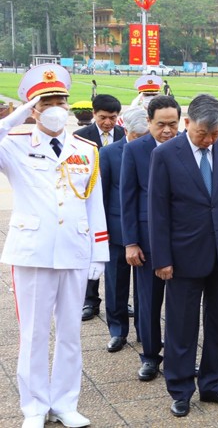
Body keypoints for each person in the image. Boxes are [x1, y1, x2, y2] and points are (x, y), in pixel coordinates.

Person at [2, 64, 109, 428]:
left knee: (70, 333)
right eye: (46, 100)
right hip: (33, 251)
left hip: (75, 249)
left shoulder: (86, 148)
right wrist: (18, 114)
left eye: (60, 99)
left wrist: (100, 253)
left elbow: (94, 203)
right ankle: (33, 407)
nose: (56, 106)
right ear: (33, 107)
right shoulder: (14, 144)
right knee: (33, 334)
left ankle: (65, 402)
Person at [149, 94, 218, 418]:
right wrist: (162, 259)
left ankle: (213, 384)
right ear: (187, 123)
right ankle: (180, 389)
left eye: (215, 134)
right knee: (181, 326)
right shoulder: (166, 155)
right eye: (203, 134)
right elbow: (158, 211)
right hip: (183, 256)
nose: (209, 140)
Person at [121, 95, 181, 381]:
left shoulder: (188, 147)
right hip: (146, 240)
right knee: (148, 302)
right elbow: (128, 199)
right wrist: (131, 241)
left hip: (183, 239)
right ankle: (149, 356)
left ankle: (178, 357)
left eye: (173, 124)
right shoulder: (135, 150)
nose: (167, 130)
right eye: (161, 125)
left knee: (182, 304)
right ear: (149, 122)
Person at [100, 107, 148, 354]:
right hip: (117, 231)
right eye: (137, 136)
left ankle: (145, 330)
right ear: (125, 130)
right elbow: (103, 195)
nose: (142, 141)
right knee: (116, 283)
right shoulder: (108, 153)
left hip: (145, 229)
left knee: (145, 288)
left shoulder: (155, 149)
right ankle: (117, 331)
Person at [75, 94, 125, 322]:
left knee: (117, 262)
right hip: (89, 199)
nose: (108, 122)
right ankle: (90, 301)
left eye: (112, 118)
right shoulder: (80, 137)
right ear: (94, 114)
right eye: (103, 117)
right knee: (91, 254)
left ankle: (121, 302)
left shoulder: (124, 135)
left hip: (115, 202)